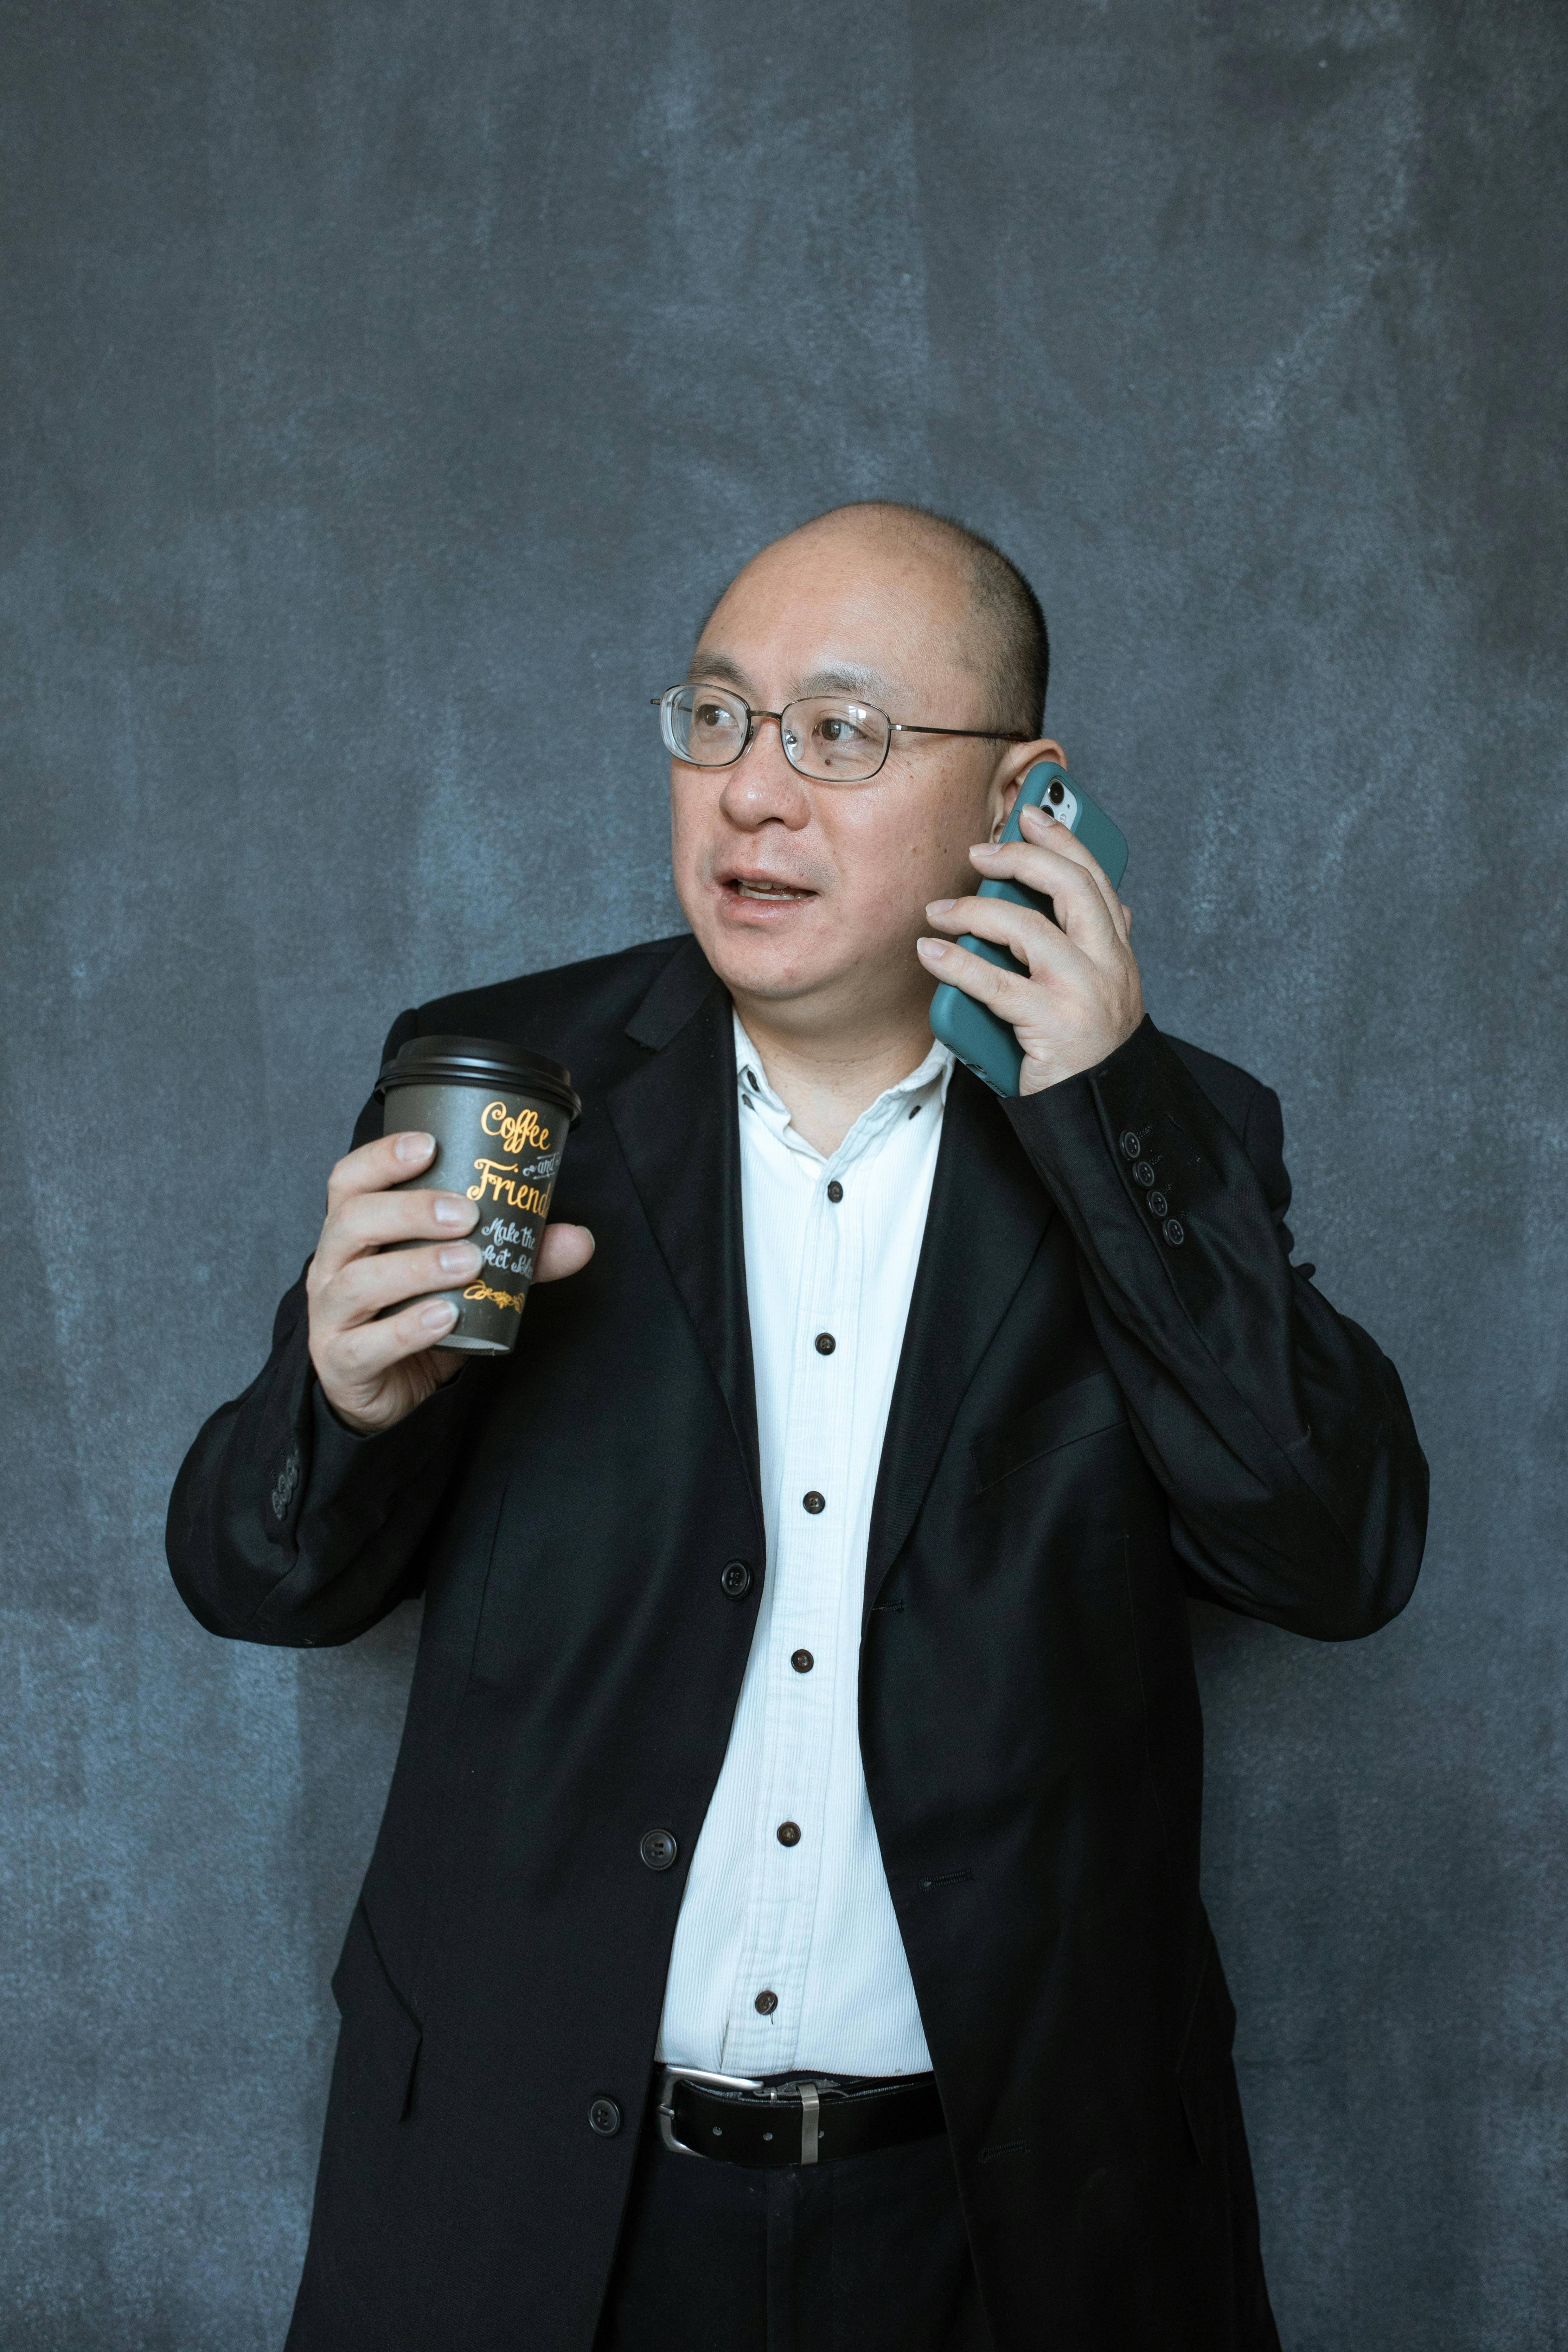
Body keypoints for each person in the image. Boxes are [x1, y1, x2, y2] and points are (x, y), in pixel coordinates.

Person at [167, 502, 1427, 2352]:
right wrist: (341, 1398)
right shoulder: (508, 1084)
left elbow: (1334, 1556)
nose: (754, 794)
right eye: (717, 719)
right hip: (538, 2216)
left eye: (841, 733)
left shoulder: (1182, 1140)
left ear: (1028, 800)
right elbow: (260, 1579)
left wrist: (1106, 1116)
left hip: (1012, 2228)